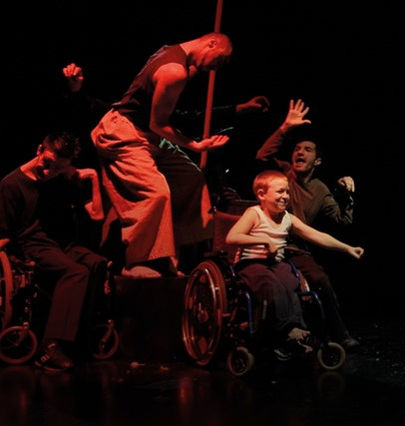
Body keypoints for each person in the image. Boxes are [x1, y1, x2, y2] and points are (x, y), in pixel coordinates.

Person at [90, 33, 234, 278]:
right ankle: (139, 260)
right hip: (123, 133)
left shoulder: (173, 52)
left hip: (148, 136)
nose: (215, 69)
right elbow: (159, 124)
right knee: (156, 193)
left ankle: (169, 252)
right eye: (218, 61)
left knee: (190, 178)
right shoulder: (174, 71)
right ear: (211, 43)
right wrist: (196, 145)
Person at [255, 99, 360, 348]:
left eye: (307, 150)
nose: (300, 152)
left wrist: (346, 194)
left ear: (318, 161)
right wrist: (285, 128)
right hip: (270, 244)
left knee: (320, 279)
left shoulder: (320, 189)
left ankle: (339, 333)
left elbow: (343, 220)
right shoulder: (282, 174)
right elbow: (262, 156)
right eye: (297, 149)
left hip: (297, 250)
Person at [225, 171, 363, 358]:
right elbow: (232, 237)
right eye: (280, 192)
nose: (285, 196)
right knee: (271, 285)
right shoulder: (254, 214)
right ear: (261, 195)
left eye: (287, 192)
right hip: (251, 264)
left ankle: (295, 330)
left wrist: (347, 248)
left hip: (275, 263)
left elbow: (317, 236)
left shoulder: (288, 218)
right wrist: (264, 240)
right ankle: (287, 331)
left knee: (292, 284)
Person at [0, 133, 105, 371]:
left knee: (97, 263)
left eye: (58, 168)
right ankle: (50, 346)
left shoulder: (60, 177)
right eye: (47, 163)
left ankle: (81, 335)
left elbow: (97, 214)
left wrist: (93, 178)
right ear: (39, 149)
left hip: (60, 243)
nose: (49, 172)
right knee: (75, 272)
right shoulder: (11, 185)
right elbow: (4, 233)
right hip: (32, 244)